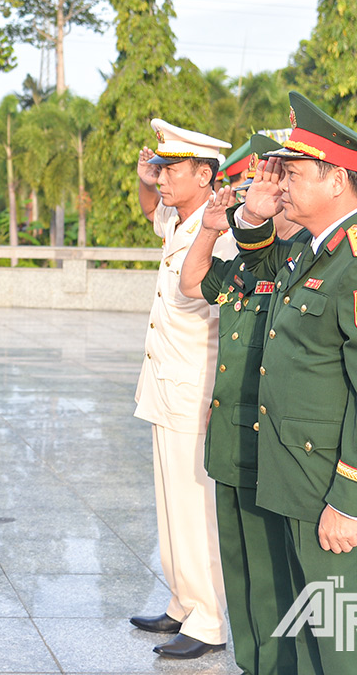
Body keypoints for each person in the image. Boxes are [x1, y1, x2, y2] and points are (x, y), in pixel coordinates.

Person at [233, 92, 357, 675]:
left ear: (337, 178)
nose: (280, 182)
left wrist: (349, 499)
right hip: (301, 482)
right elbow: (248, 274)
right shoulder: (318, 249)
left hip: (338, 492)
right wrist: (253, 218)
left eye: (292, 171)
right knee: (314, 650)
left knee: (352, 654)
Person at [179, 133, 299, 675]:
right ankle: (254, 664)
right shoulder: (248, 266)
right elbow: (191, 280)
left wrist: (254, 223)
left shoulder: (296, 261)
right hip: (231, 439)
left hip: (272, 444)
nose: (266, 196)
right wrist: (209, 228)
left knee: (276, 575)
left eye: (276, 188)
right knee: (244, 574)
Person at [129, 118, 236, 660]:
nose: (161, 177)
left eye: (171, 169)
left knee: (194, 508)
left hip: (195, 386)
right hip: (167, 380)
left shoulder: (221, 232)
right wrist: (147, 177)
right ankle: (181, 601)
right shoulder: (180, 218)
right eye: (161, 167)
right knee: (169, 502)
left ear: (204, 173)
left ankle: (209, 619)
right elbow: (151, 208)